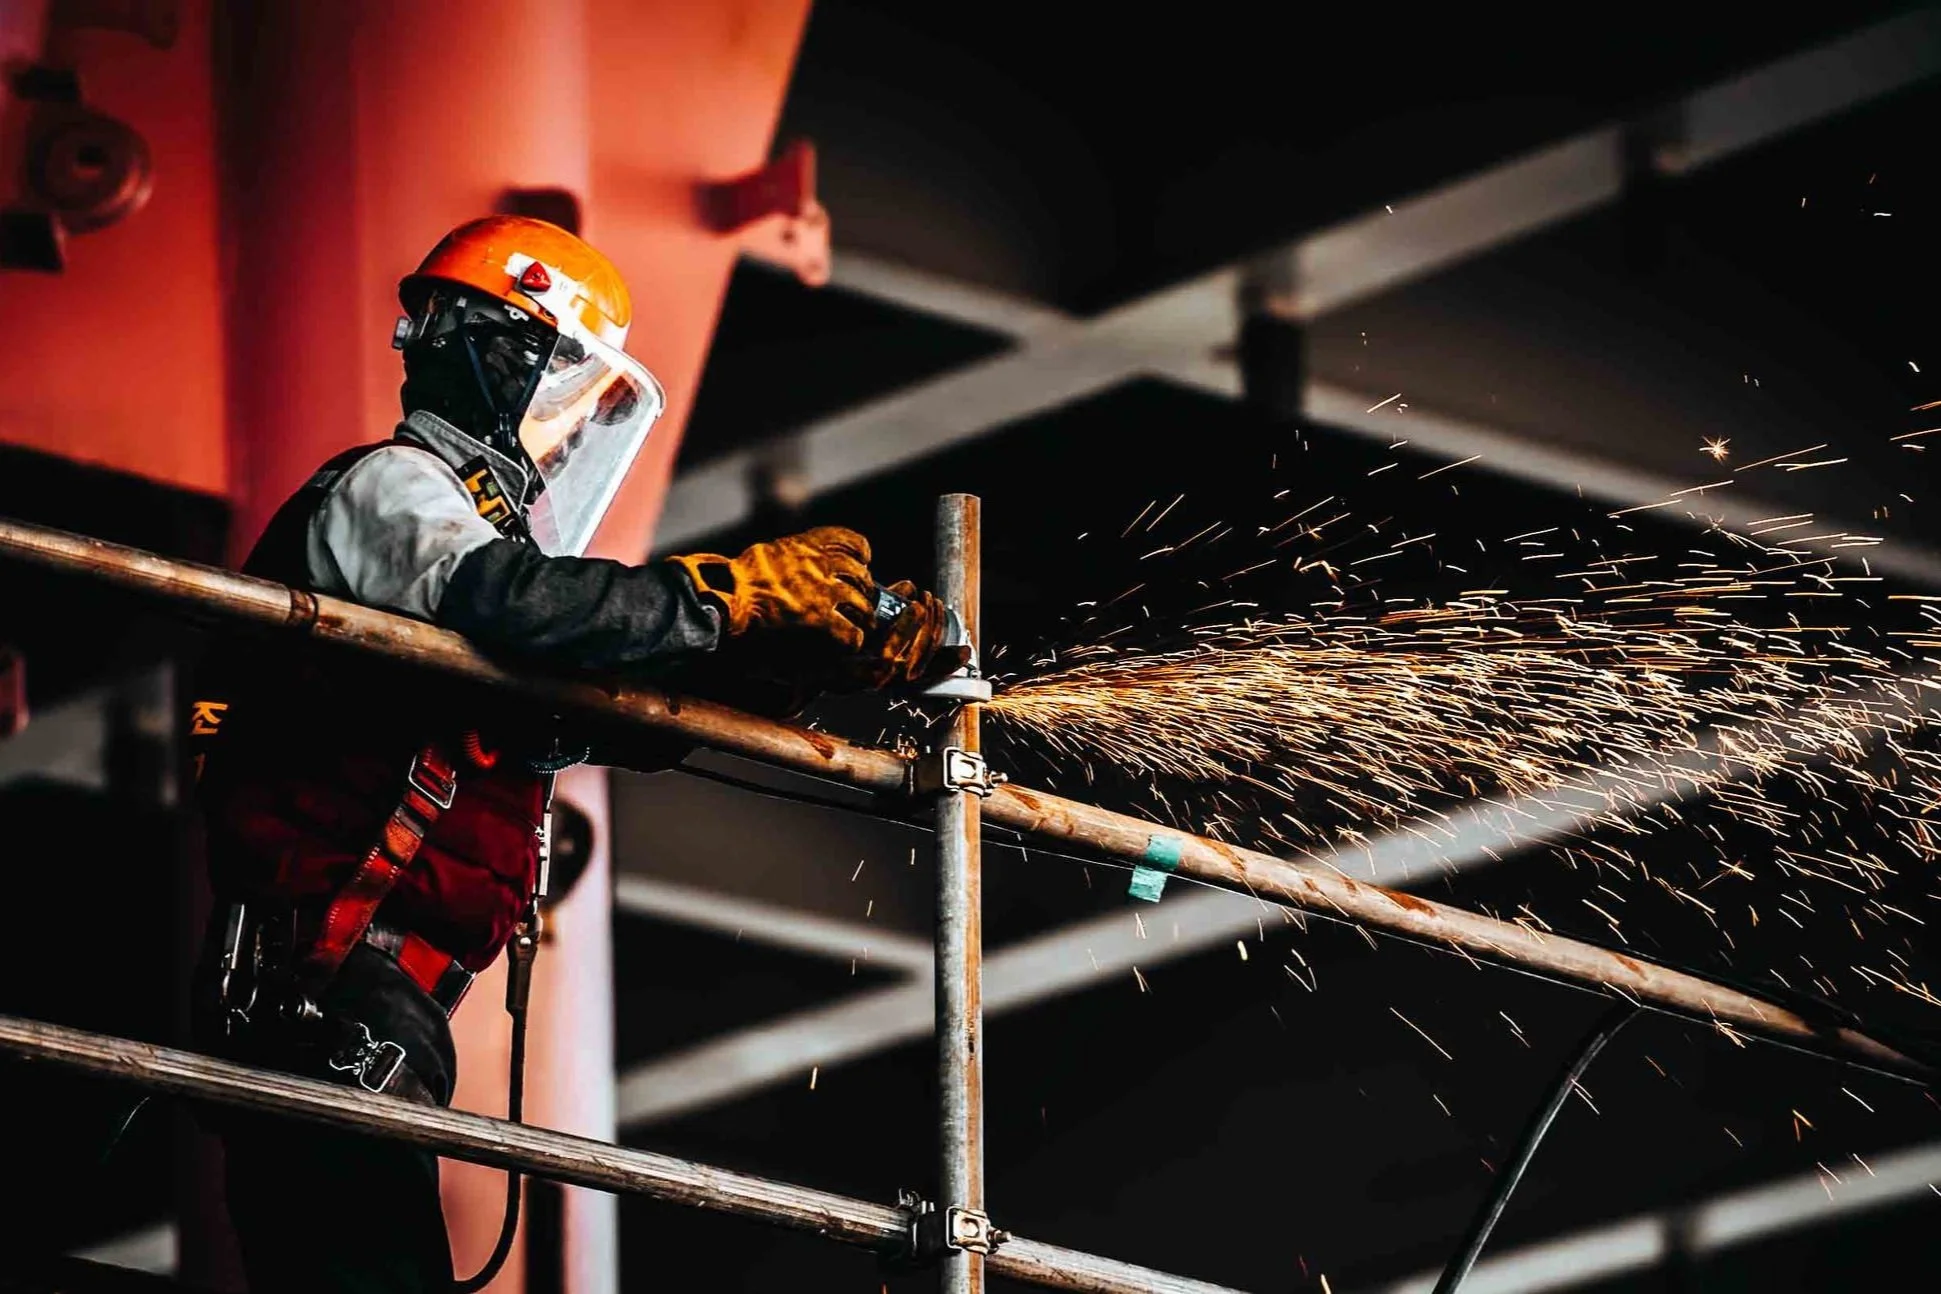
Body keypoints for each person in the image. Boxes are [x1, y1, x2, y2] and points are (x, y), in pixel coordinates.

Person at [188, 215, 957, 1292]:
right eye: (560, 390)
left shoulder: (478, 599)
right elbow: (522, 609)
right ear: (496, 352)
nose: (558, 434)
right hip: (321, 993)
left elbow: (616, 707)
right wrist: (732, 596)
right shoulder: (393, 494)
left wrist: (796, 658)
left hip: (374, 1005)